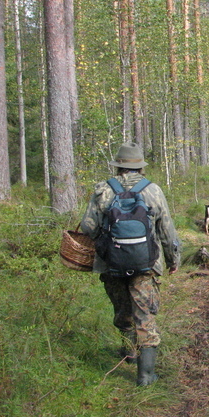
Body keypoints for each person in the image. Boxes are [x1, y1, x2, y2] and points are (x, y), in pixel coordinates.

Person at [80, 142, 180, 386]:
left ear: (118, 167)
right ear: (140, 167)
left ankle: (129, 353)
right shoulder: (153, 190)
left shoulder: (103, 190)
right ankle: (146, 376)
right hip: (146, 266)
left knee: (122, 311)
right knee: (144, 315)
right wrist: (172, 259)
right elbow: (167, 232)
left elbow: (88, 227)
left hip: (110, 265)